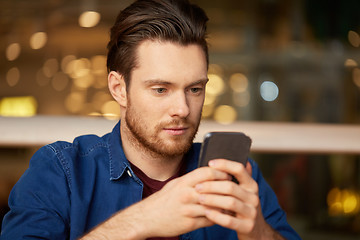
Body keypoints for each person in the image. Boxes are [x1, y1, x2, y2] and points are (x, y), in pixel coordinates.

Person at [0, 0, 301, 239]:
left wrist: (258, 233)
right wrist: (144, 219)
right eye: (161, 89)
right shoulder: (61, 172)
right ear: (119, 88)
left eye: (194, 89)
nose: (182, 108)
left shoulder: (236, 177)